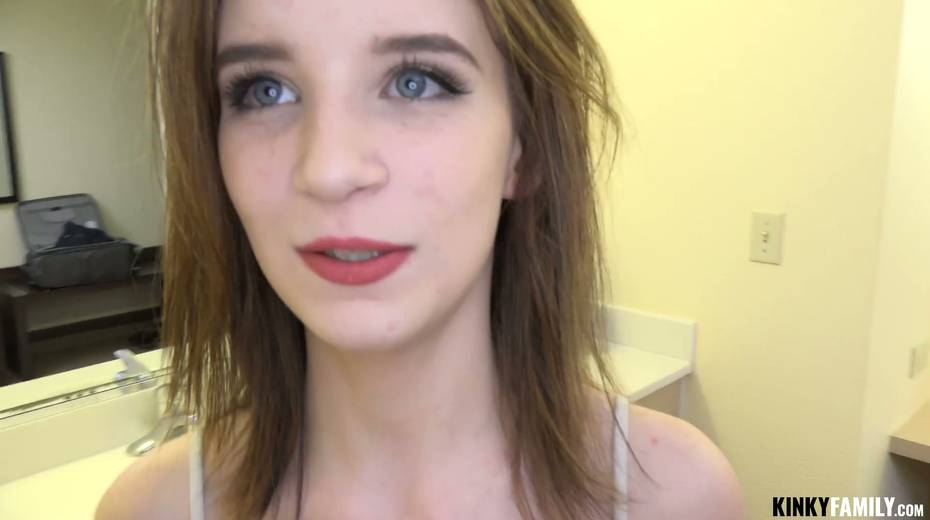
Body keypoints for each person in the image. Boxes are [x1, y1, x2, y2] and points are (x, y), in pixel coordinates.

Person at [97, 0, 747, 518]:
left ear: (525, 148)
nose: (329, 169)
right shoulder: (154, 509)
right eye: (265, 91)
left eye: (416, 82)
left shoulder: (675, 497)